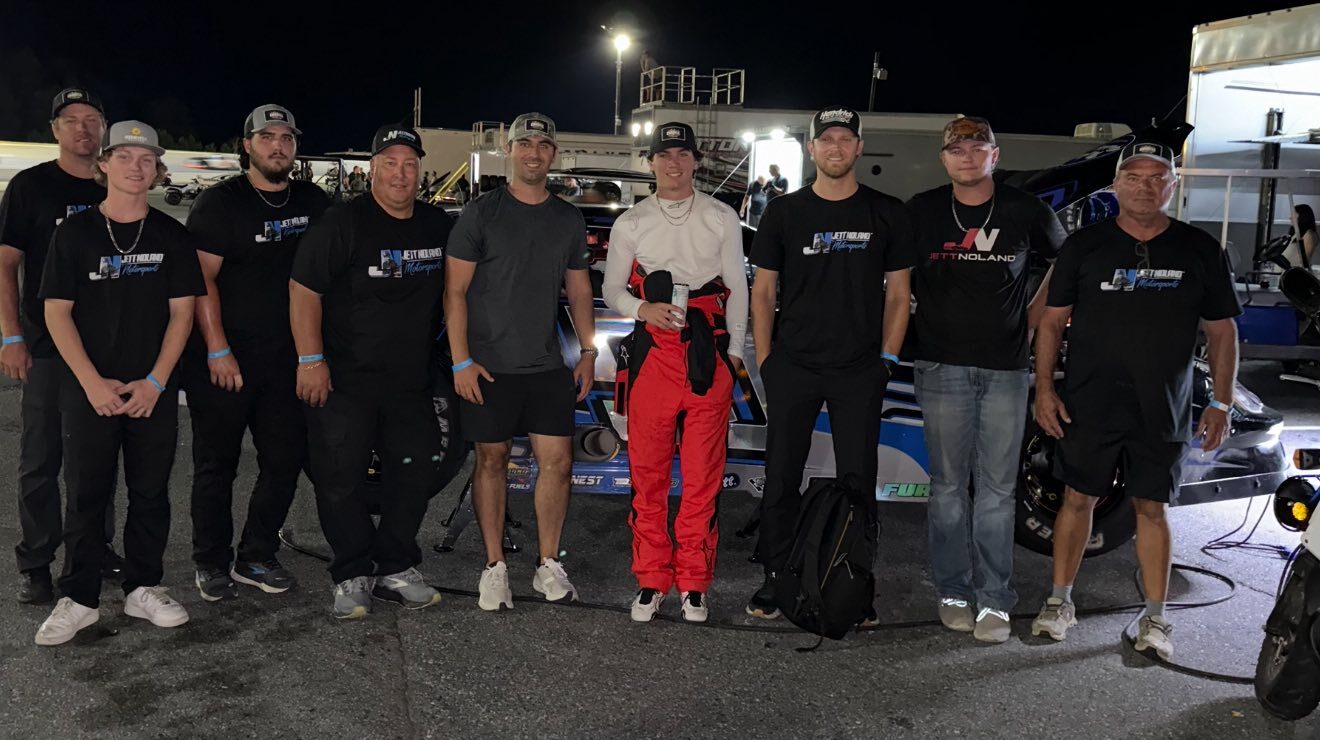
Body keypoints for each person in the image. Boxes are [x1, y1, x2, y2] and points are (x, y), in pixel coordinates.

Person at [1031, 141, 1242, 660]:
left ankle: (1155, 617)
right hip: (1090, 402)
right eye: (1133, 176)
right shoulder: (1085, 246)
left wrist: (1221, 402)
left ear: (1173, 185)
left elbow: (1222, 331)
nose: (1145, 186)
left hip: (1162, 406)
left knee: (1152, 507)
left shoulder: (1200, 249)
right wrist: (1045, 389)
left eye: (1156, 177)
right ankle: (1059, 602)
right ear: (1115, 185)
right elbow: (1051, 322)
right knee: (1077, 499)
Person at [35, 120, 205, 645]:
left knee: (151, 491)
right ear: (104, 164)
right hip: (90, 389)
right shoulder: (74, 233)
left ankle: (143, 587)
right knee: (86, 492)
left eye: (147, 159)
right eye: (125, 157)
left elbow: (183, 314)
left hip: (152, 389)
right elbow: (57, 313)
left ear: (157, 170)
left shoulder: (172, 235)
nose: (136, 166)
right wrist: (91, 383)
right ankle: (80, 597)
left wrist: (156, 382)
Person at [746, 107, 915, 621]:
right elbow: (763, 291)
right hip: (793, 366)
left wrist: (887, 359)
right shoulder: (784, 212)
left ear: (859, 147)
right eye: (827, 139)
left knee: (859, 480)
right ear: (811, 148)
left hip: (859, 370)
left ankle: (854, 584)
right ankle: (776, 578)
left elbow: (899, 295)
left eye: (845, 139)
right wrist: (767, 359)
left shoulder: (886, 211)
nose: (836, 147)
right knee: (780, 477)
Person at [906, 117, 1067, 643]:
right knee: (947, 489)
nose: (967, 156)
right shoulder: (922, 210)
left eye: (978, 148)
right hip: (940, 366)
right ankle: (953, 592)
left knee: (997, 491)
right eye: (957, 149)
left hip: (1006, 369)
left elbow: (1066, 266)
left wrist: (1033, 315)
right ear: (944, 158)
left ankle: (995, 599)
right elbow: (893, 276)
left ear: (995, 156)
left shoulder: (1026, 209)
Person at [290, 124, 452, 619]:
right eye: (390, 164)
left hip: (411, 381)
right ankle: (351, 572)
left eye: (409, 164)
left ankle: (396, 567)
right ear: (373, 169)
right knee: (340, 479)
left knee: (413, 475)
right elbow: (303, 291)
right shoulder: (343, 222)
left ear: (420, 171)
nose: (400, 174)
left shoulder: (437, 224)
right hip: (345, 380)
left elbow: (460, 292)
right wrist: (310, 361)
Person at [445, 113, 594, 611]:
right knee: (491, 461)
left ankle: (548, 563)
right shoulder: (481, 213)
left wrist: (588, 351)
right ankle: (494, 567)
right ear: (508, 150)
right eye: (524, 144)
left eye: (543, 145)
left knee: (559, 464)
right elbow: (455, 291)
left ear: (554, 153)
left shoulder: (567, 218)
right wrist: (461, 361)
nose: (534, 152)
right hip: (488, 367)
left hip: (546, 365)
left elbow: (579, 289)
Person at [183, 104, 331, 602]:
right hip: (226, 359)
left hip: (288, 359)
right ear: (247, 146)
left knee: (284, 461)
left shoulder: (313, 200)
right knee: (216, 466)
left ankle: (256, 554)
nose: (278, 146)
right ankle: (210, 561)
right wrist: (217, 348)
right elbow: (201, 280)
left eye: (287, 138)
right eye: (267, 137)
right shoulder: (220, 203)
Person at [602, 121, 748, 623]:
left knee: (703, 476)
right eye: (664, 154)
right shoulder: (632, 221)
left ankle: (694, 583)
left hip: (708, 354)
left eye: (682, 153)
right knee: (648, 476)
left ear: (695, 161)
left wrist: (735, 349)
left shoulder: (721, 216)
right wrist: (642, 310)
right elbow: (612, 290)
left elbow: (738, 286)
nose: (673, 162)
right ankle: (651, 579)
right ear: (651, 162)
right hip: (653, 358)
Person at [1, 87, 124, 605]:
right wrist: (11, 336)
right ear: (55, 129)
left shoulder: (117, 181)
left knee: (97, 458)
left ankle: (95, 547)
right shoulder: (30, 187)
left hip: (110, 348)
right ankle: (37, 560)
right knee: (41, 458)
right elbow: (6, 265)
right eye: (71, 120)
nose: (83, 128)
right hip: (48, 346)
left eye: (92, 118)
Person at [1284, 203, 1317, 270]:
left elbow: (1304, 262)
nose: (1290, 218)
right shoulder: (1295, 235)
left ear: (1302, 216)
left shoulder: (1309, 234)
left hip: (1296, 274)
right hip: (1287, 273)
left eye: (1294, 214)